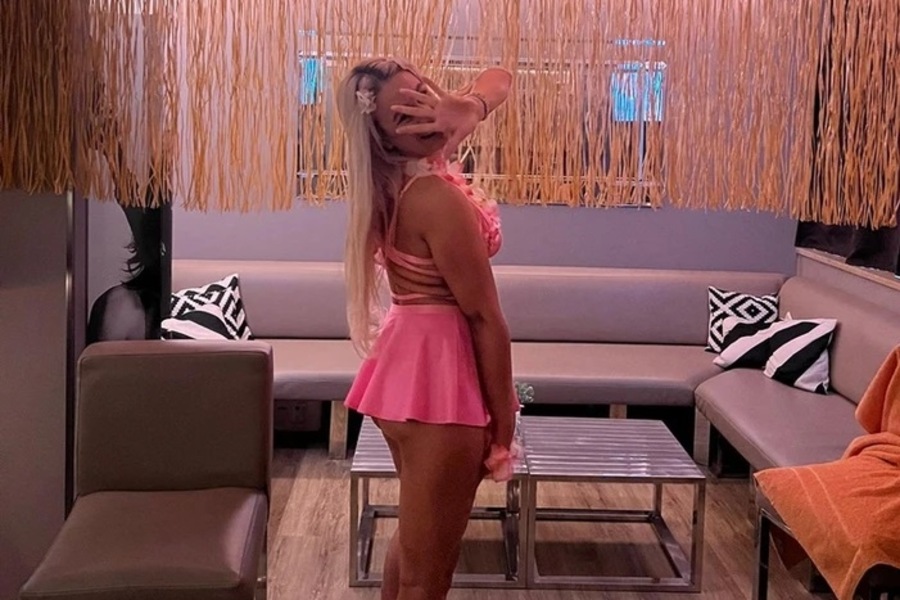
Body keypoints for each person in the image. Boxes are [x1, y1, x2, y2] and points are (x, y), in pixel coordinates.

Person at [337, 57, 519, 600]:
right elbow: (485, 317)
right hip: (440, 383)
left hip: (407, 371)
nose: (423, 116)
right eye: (404, 116)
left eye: (422, 95)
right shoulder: (433, 197)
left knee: (415, 544)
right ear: (385, 139)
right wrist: (504, 424)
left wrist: (465, 105)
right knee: (430, 568)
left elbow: (501, 77)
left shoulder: (406, 182)